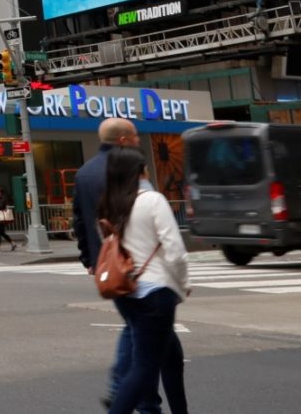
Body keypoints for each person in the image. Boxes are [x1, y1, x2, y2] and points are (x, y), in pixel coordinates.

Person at [75, 119, 162, 414]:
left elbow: (79, 219)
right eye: (135, 136)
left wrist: (90, 259)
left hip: (108, 263)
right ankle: (132, 396)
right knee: (147, 334)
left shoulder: (85, 172)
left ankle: (137, 397)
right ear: (124, 139)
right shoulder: (131, 167)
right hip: (140, 262)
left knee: (138, 328)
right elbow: (150, 212)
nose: (138, 140)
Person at [100, 145, 189, 414]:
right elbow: (175, 250)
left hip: (126, 291)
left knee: (171, 356)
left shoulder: (108, 204)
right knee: (144, 368)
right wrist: (182, 286)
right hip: (157, 291)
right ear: (139, 172)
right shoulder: (152, 200)